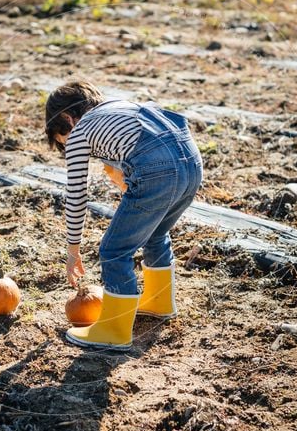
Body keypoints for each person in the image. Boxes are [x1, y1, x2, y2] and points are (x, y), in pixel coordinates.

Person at [44, 81, 203, 351]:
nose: (69, 145)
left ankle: (114, 330)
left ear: (67, 119)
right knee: (155, 234)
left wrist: (73, 249)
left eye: (64, 138)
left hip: (157, 170)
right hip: (192, 165)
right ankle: (158, 302)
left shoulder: (81, 130)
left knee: (114, 249)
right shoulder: (120, 107)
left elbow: (76, 193)